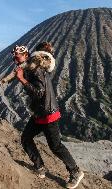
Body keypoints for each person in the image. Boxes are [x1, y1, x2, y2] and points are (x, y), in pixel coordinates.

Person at [16, 42, 84, 189]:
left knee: (56, 146)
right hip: (40, 113)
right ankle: (40, 167)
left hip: (48, 114)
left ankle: (75, 171)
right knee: (26, 138)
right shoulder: (31, 68)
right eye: (15, 56)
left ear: (27, 55)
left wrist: (22, 79)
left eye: (18, 56)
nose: (16, 59)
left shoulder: (36, 70)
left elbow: (39, 92)